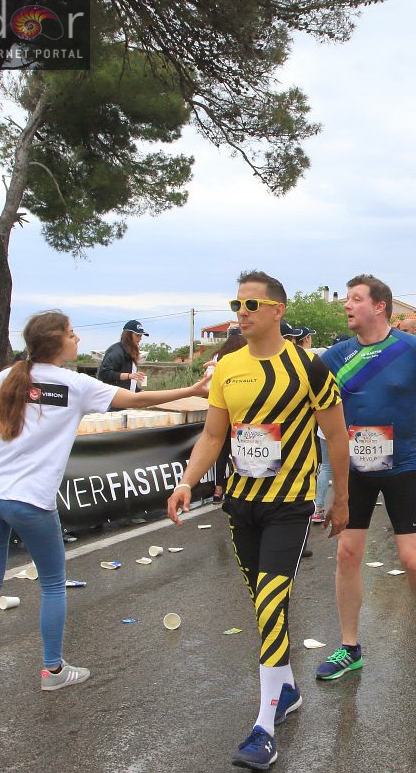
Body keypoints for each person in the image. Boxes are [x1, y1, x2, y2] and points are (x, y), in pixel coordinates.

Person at [0, 311, 207, 699]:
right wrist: (193, 389)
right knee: (54, 585)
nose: (78, 340)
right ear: (57, 343)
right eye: (73, 334)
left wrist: (14, 409)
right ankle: (53, 669)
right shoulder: (74, 385)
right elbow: (138, 399)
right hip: (32, 500)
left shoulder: (8, 378)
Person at [166, 271, 347, 770]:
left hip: (290, 506)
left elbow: (336, 439)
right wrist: (187, 482)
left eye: (251, 304)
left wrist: (343, 500)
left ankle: (264, 725)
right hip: (241, 504)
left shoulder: (310, 368)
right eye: (236, 303)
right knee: (264, 608)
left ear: (277, 311)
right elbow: (212, 435)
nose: (241, 312)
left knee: (271, 603)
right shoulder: (227, 366)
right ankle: (285, 690)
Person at [316, 275, 416, 680]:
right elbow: (298, 391)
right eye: (346, 299)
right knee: (347, 554)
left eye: (355, 299)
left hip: (400, 465)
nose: (347, 305)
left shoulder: (411, 349)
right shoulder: (336, 356)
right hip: (354, 468)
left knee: (413, 559)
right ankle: (349, 647)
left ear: (379, 306)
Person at [207, 327, 248, 505]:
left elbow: (208, 381)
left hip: (220, 408)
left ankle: (218, 489)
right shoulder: (246, 354)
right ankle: (239, 487)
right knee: (240, 449)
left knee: (221, 451)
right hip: (240, 408)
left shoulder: (218, 356)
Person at [97, 319, 149, 396]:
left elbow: (127, 383)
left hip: (126, 400)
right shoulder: (116, 351)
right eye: (137, 335)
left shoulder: (130, 352)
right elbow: (104, 374)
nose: (140, 338)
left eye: (141, 336)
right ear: (128, 335)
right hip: (114, 401)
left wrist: (139, 391)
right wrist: (129, 375)